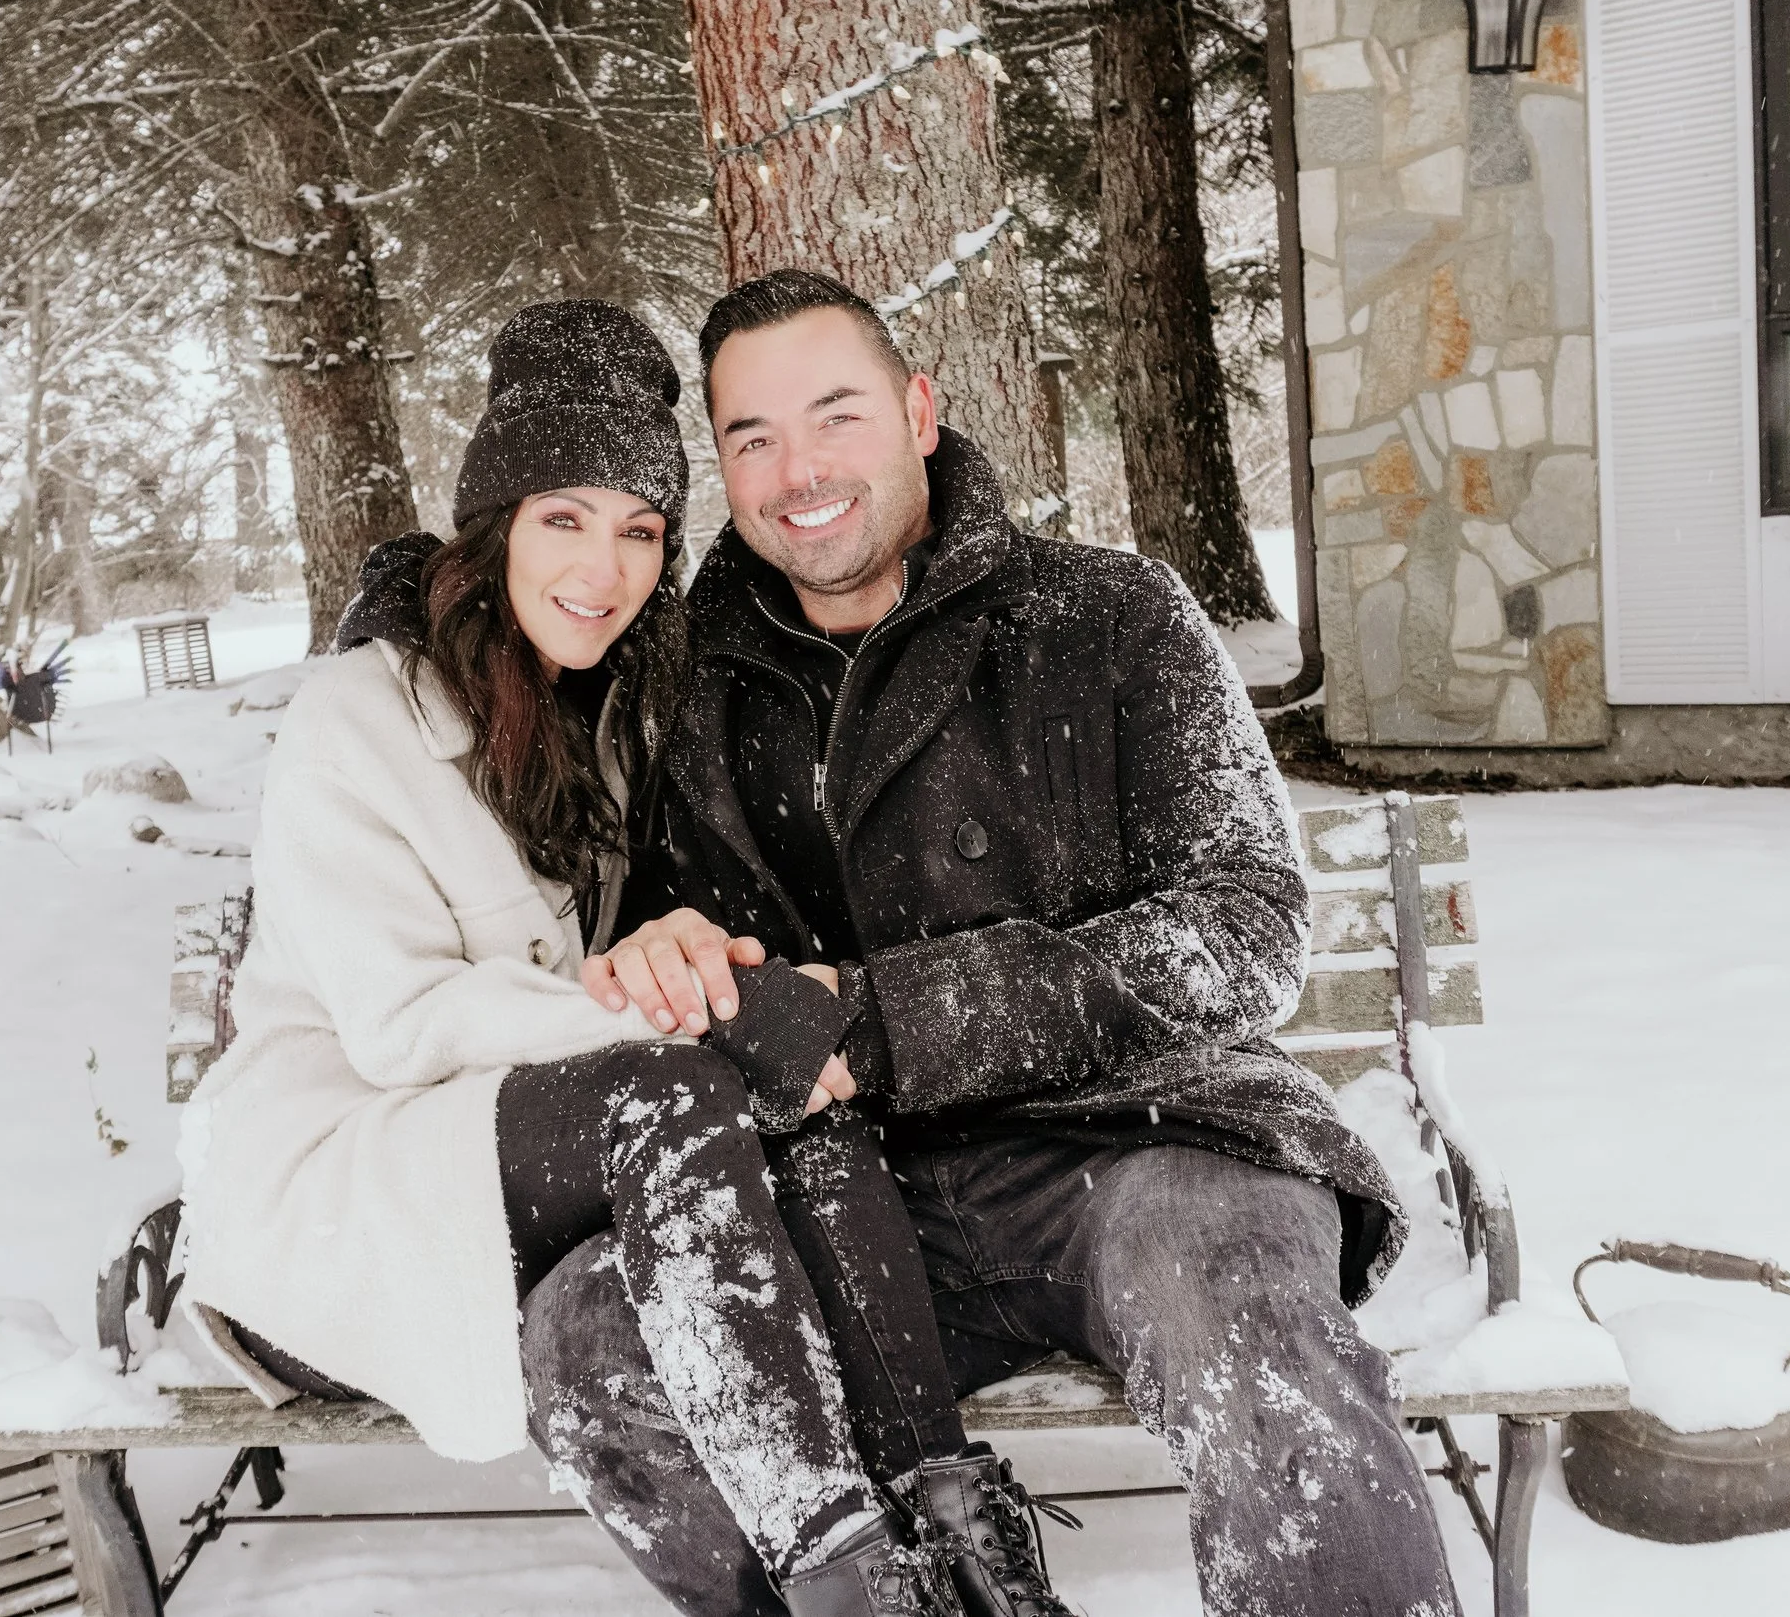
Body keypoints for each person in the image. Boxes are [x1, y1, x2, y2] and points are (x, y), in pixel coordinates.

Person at [557, 271, 1464, 1617]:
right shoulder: (676, 691)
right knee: (593, 1333)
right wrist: (658, 950)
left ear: (920, 413)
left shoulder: (1108, 615)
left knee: (1242, 1313)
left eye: (837, 415)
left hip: (1146, 1143)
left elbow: (1247, 925)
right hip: (842, 1191)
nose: (799, 472)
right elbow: (602, 936)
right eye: (753, 438)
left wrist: (885, 1020)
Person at [176, 298, 1032, 1617]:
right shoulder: (358, 717)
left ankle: (958, 1531)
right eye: (564, 519)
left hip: (528, 1149)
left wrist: (693, 971)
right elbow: (403, 1026)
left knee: (791, 1086)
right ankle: (849, 1582)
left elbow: (618, 969)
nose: (605, 566)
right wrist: (665, 1008)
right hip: (352, 1194)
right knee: (681, 1083)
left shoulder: (615, 723)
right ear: (495, 528)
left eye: (640, 530)